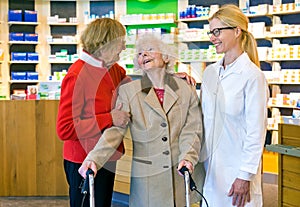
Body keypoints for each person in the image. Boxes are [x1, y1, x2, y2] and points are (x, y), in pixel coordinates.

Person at [57, 18, 197, 207]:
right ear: (106, 43)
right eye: (121, 43)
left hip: (107, 158)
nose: (123, 48)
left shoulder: (113, 70)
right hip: (83, 161)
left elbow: (141, 85)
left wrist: (170, 76)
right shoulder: (76, 75)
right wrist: (109, 118)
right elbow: (65, 129)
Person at [200, 4, 269, 207]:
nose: (212, 37)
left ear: (237, 31)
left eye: (217, 31)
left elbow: (256, 132)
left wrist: (245, 176)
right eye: (211, 32)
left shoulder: (252, 76)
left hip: (237, 174)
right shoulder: (210, 72)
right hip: (211, 171)